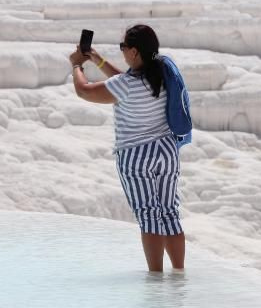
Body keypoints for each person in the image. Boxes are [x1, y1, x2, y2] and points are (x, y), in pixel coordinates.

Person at [69, 24, 185, 272]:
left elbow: (84, 91)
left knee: (148, 215)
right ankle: (179, 276)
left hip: (137, 155)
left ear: (134, 52)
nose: (121, 51)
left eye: (123, 47)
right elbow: (125, 79)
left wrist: (77, 65)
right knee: (169, 213)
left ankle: (155, 281)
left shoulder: (125, 85)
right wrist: (98, 61)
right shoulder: (160, 74)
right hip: (166, 151)